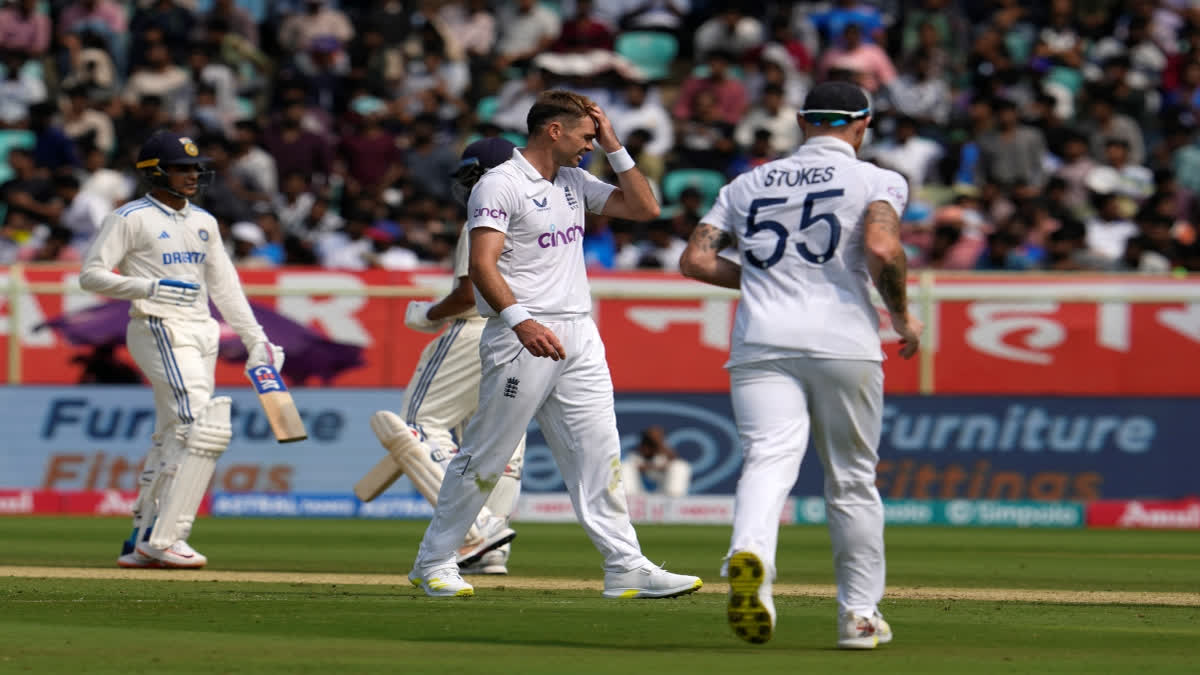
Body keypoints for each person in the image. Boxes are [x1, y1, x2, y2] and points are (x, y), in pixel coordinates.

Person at [408, 89, 703, 599]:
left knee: (599, 451)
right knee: (486, 453)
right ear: (554, 131)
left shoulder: (572, 180)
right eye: (587, 136)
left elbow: (645, 206)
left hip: (578, 333)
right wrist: (522, 322)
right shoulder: (499, 185)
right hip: (522, 336)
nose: (590, 145)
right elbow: (482, 265)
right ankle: (435, 562)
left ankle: (625, 564)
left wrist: (614, 144)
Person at [679, 81, 923, 648]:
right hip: (843, 339)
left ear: (801, 121)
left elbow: (695, 259)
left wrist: (767, 279)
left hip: (762, 339)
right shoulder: (877, 179)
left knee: (767, 461)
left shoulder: (746, 183)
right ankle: (859, 617)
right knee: (852, 481)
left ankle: (750, 557)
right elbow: (884, 248)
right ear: (862, 124)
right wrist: (904, 317)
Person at [79, 130, 284, 569]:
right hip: (157, 326)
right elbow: (91, 275)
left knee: (174, 434)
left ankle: (140, 537)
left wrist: (256, 339)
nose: (192, 175)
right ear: (155, 172)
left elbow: (226, 289)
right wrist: (148, 285)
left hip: (202, 332)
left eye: (195, 167)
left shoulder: (204, 222)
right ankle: (167, 537)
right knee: (199, 425)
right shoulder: (129, 217)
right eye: (181, 167)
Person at [358, 137, 526, 575]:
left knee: (418, 425)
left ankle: (477, 531)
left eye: (471, 176)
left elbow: (470, 292)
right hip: (530, 337)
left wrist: (428, 314)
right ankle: (491, 551)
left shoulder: (484, 212)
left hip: (477, 330)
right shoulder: (548, 213)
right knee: (501, 446)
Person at [620, 426, 691, 498]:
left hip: (664, 495)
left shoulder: (665, 454)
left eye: (652, 443)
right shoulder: (635, 455)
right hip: (638, 494)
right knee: (625, 467)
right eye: (649, 441)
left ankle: (675, 499)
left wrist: (659, 445)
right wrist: (654, 467)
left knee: (680, 466)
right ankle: (629, 499)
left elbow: (676, 462)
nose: (650, 446)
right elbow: (638, 466)